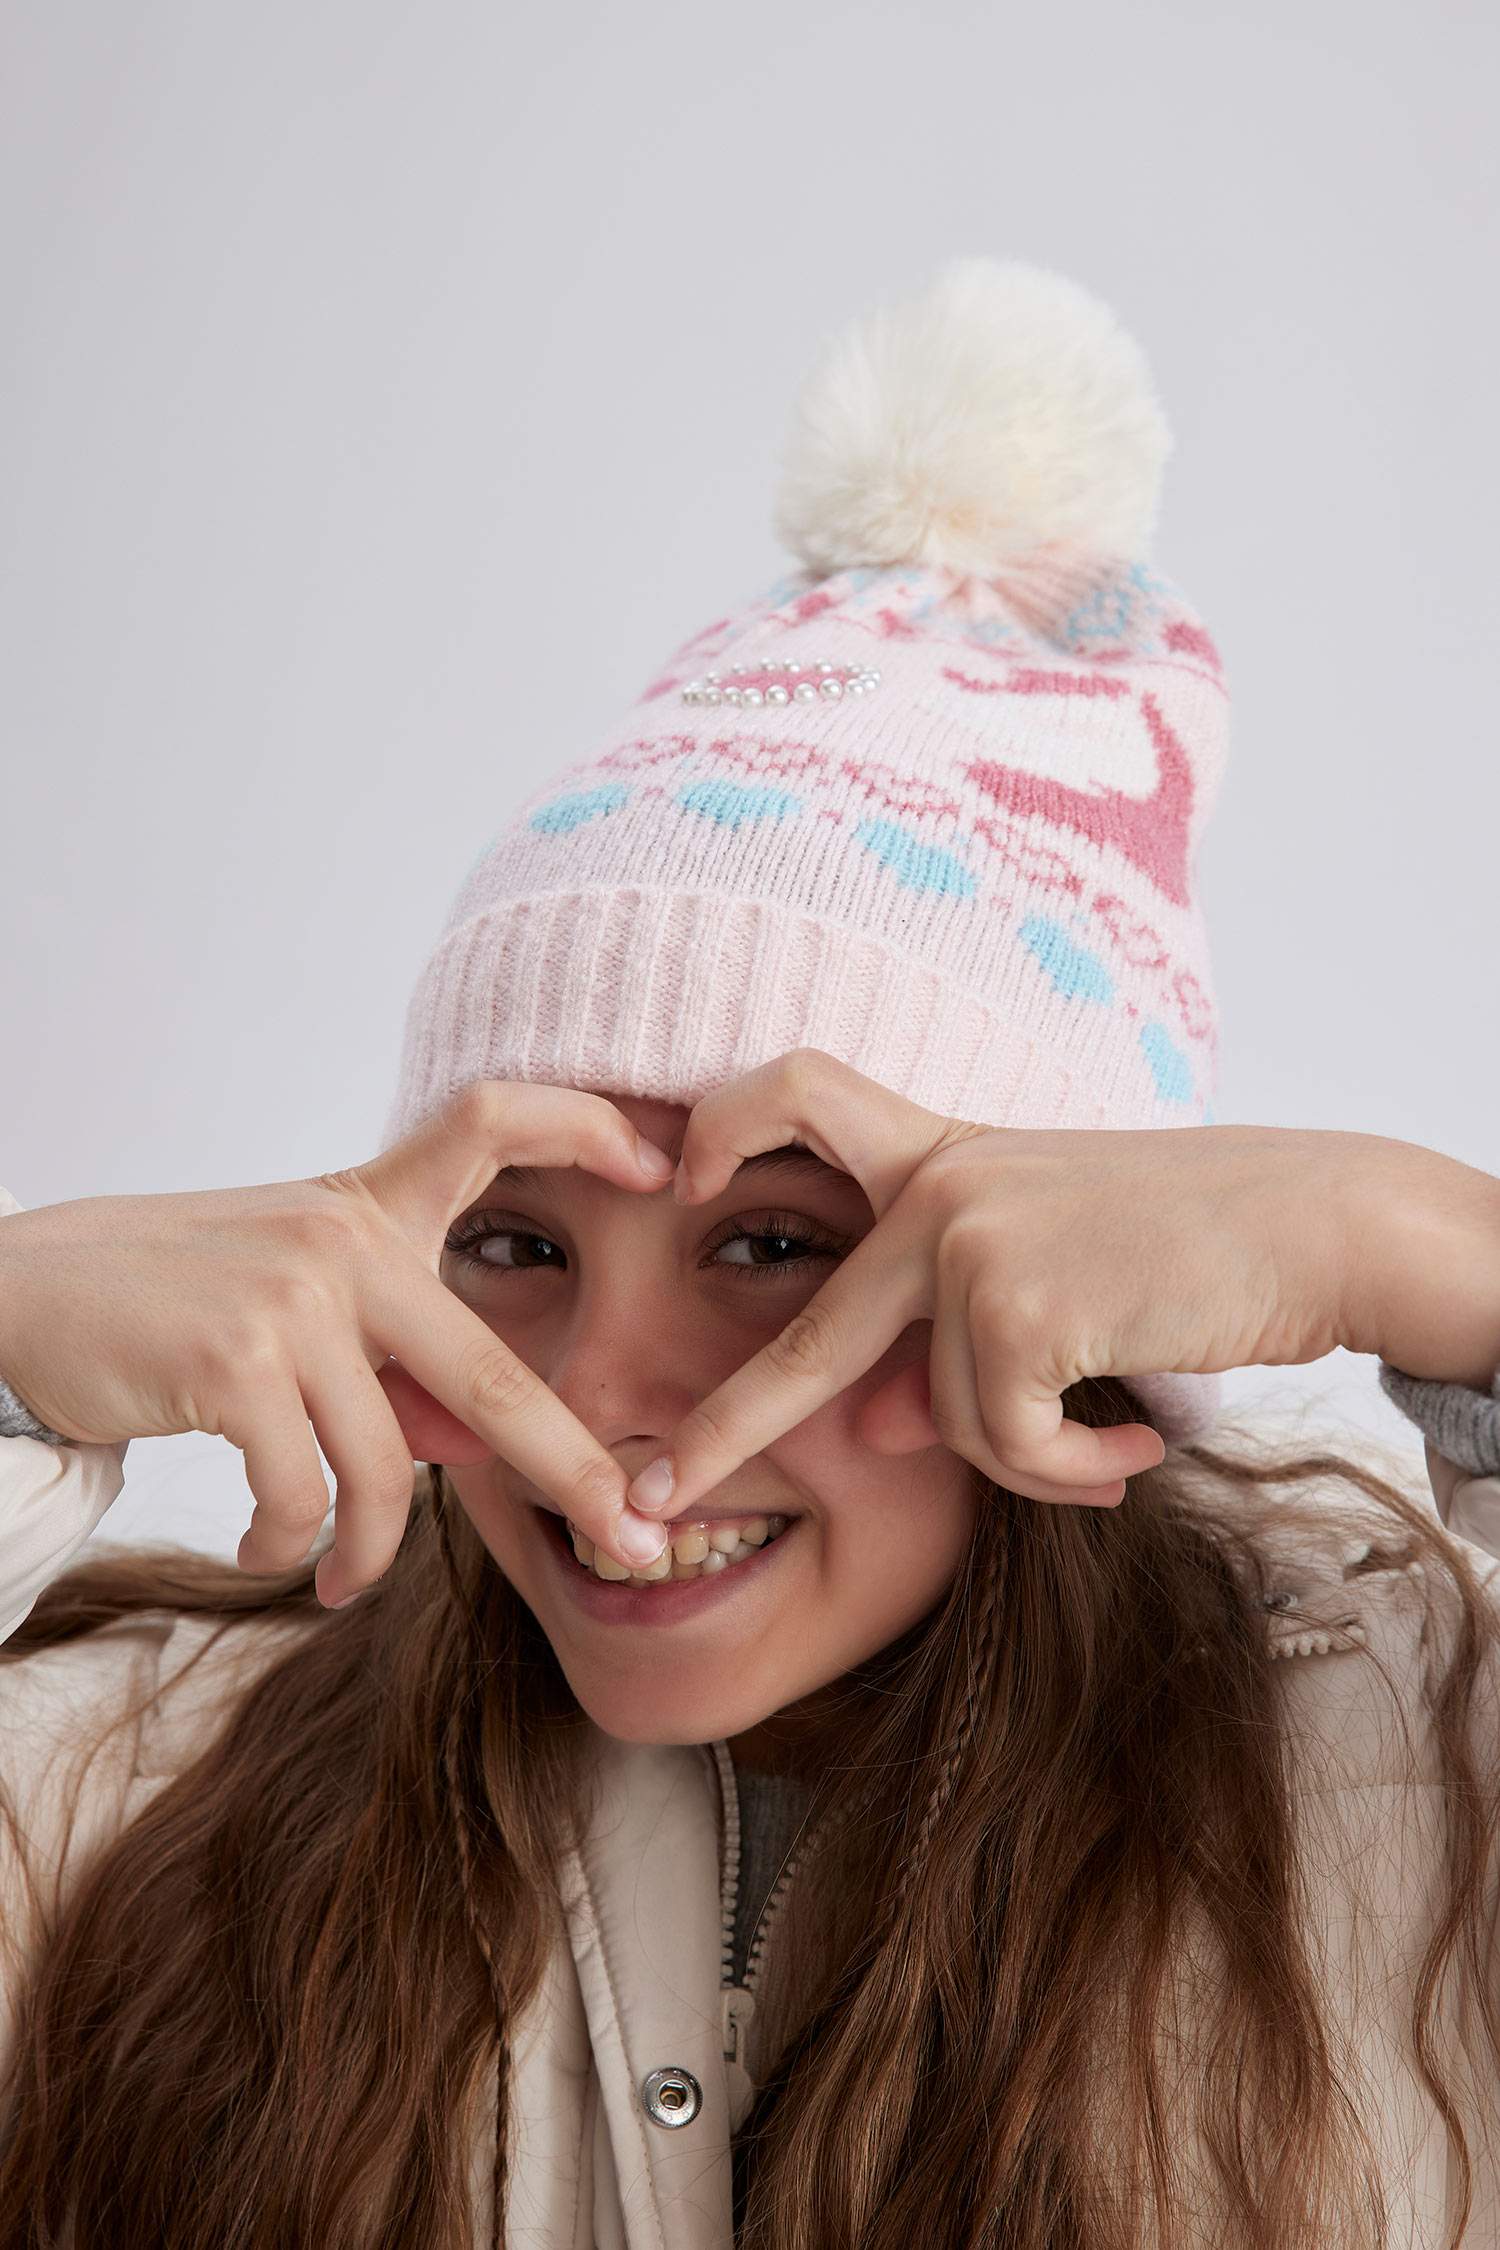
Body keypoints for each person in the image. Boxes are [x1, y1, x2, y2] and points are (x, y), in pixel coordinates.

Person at [0, 255, 1497, 2249]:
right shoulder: (122, 1794)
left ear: (1075, 1289)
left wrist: (1428, 1249)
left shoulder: (1416, 1779)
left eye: (779, 1246)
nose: (602, 1398)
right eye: (515, 1244)